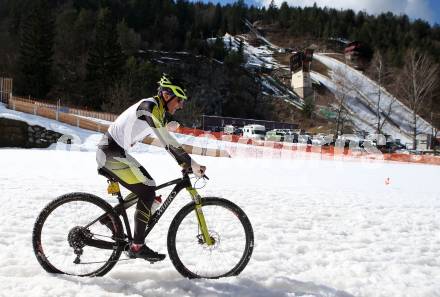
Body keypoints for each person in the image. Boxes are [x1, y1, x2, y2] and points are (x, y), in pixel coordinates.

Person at [96, 74, 206, 261]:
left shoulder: (157, 110)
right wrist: (189, 163)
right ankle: (137, 246)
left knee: (149, 188)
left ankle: (111, 218)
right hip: (110, 154)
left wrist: (165, 125)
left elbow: (158, 130)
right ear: (167, 95)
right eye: (179, 100)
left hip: (117, 153)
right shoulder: (149, 107)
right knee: (147, 190)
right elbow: (166, 141)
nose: (180, 105)